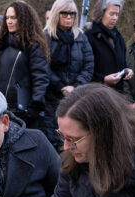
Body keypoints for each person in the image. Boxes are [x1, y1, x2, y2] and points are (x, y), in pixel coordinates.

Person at [43, 0, 94, 148]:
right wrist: (61, 86)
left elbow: (88, 65)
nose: (69, 17)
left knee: (75, 138)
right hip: (51, 98)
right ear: (56, 14)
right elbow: (42, 66)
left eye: (72, 14)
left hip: (76, 97)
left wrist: (76, 86)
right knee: (52, 140)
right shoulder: (46, 37)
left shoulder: (81, 38)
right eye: (64, 13)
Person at [0, 1, 50, 129]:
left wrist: (35, 105)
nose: (9, 21)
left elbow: (40, 77)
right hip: (1, 106)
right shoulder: (1, 45)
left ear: (23, 19)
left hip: (23, 109)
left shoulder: (33, 45)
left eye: (13, 17)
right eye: (7, 18)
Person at [85, 0, 133, 93]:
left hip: (117, 95)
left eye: (117, 14)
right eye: (111, 14)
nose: (115, 18)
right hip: (95, 94)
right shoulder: (89, 36)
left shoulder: (119, 37)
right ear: (101, 14)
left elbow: (121, 63)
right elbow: (85, 70)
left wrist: (126, 71)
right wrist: (103, 79)